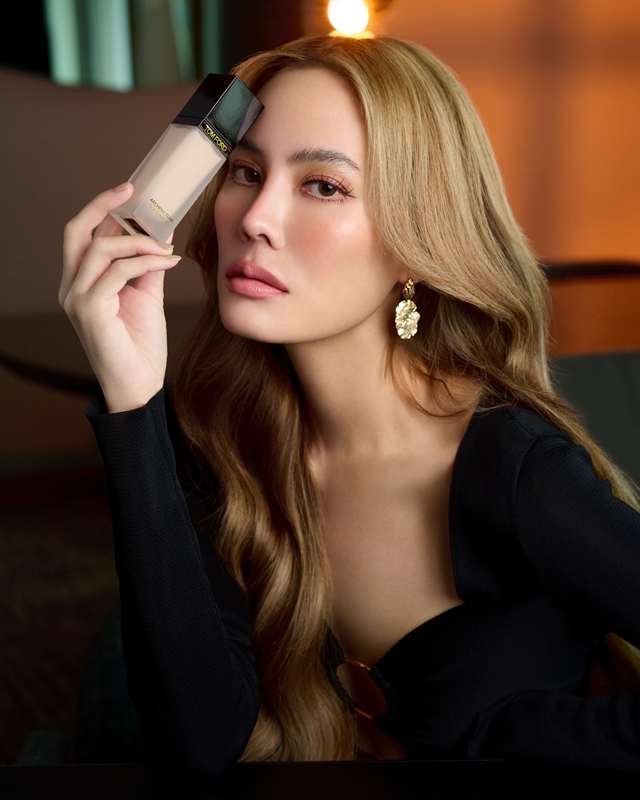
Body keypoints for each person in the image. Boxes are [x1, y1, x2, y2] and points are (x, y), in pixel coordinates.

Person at [60, 34, 640, 777]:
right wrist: (133, 405)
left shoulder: (516, 470)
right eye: (246, 172)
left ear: (417, 240)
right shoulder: (219, 428)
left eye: (324, 186)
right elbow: (201, 744)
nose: (256, 217)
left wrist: (512, 741)